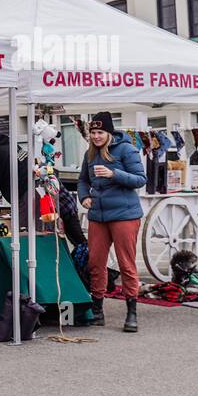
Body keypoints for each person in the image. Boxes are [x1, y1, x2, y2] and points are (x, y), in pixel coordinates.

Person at [78, 111, 145, 333]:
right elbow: (82, 180)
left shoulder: (126, 149)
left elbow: (140, 179)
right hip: (98, 214)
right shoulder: (89, 153)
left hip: (125, 214)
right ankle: (98, 310)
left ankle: (132, 312)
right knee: (96, 263)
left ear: (109, 132)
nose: (96, 137)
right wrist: (84, 197)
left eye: (100, 132)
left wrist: (113, 174)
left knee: (126, 264)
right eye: (93, 133)